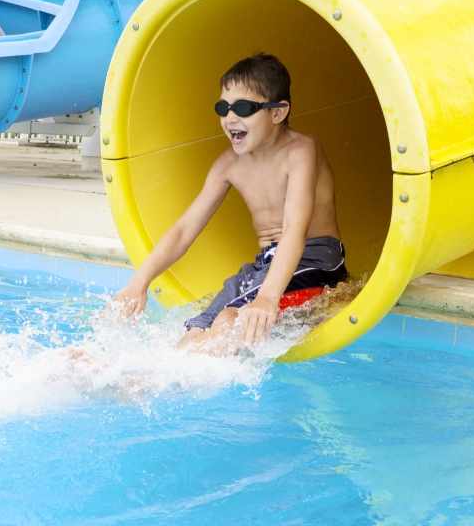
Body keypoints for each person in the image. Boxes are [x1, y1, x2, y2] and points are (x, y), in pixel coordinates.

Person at [110, 53, 348, 356]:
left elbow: (294, 230)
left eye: (244, 108)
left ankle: (144, 384)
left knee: (230, 320)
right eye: (224, 108)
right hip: (265, 263)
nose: (230, 118)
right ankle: (141, 382)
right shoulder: (228, 164)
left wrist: (267, 297)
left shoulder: (301, 150)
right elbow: (184, 229)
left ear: (278, 112)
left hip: (315, 261)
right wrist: (139, 281)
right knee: (196, 328)